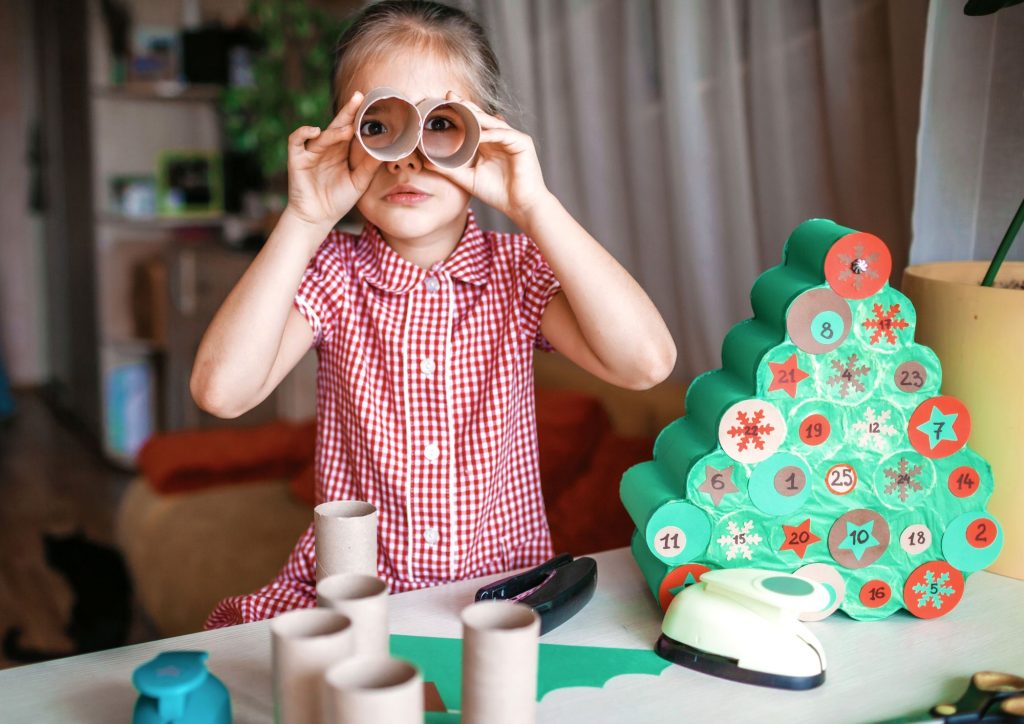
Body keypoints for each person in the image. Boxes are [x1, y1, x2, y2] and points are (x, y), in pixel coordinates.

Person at [193, 0, 676, 628]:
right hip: (356, 601)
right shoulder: (332, 275)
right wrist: (305, 219)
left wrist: (534, 204)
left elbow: (647, 363)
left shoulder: (517, 270)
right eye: (380, 125)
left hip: (500, 595)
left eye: (441, 125)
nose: (408, 157)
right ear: (343, 136)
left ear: (485, 135)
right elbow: (221, 392)